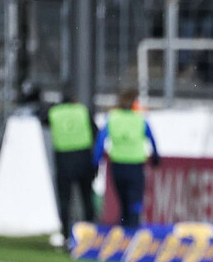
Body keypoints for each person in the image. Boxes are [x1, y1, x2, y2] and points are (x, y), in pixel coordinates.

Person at [93, 89, 160, 229]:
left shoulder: (112, 118)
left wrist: (96, 161)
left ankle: (124, 231)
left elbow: (101, 141)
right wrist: (155, 157)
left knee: (123, 201)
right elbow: (151, 138)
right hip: (135, 165)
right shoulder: (140, 119)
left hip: (117, 165)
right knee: (135, 200)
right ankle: (133, 231)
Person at [46, 91, 98, 245]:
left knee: (64, 199)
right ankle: (91, 231)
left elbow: (44, 121)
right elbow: (95, 131)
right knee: (87, 197)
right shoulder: (82, 111)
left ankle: (66, 234)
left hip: (63, 159)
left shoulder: (54, 113)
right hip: (83, 157)